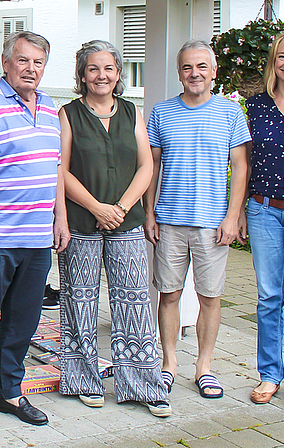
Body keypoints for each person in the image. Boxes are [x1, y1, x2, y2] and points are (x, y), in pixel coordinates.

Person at [0, 31, 70, 444]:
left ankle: (9, 393)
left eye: (38, 63)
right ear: (6, 63)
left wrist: (60, 216)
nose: (31, 69)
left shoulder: (52, 108)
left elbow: (55, 168)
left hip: (37, 239)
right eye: (23, 61)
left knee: (23, 321)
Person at [58, 40, 170, 417]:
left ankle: (143, 385)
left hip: (128, 223)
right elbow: (62, 169)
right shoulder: (68, 114)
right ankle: (82, 380)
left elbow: (145, 166)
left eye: (108, 69)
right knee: (80, 302)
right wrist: (95, 207)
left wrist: (120, 208)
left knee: (135, 302)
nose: (101, 76)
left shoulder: (133, 113)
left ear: (119, 74)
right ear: (82, 75)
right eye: (93, 69)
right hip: (82, 223)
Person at [144, 40, 251, 399]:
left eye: (202, 67)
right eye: (188, 67)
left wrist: (233, 216)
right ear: (179, 73)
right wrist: (149, 213)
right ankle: (169, 363)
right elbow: (152, 167)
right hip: (169, 221)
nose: (195, 74)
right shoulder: (161, 113)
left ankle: (204, 367)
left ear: (214, 71)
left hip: (212, 222)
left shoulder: (230, 113)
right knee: (169, 294)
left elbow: (240, 167)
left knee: (210, 297)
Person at [246, 29, 284, 411]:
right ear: (273, 61)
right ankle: (270, 374)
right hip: (263, 210)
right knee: (269, 298)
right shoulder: (256, 106)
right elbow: (246, 162)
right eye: (282, 56)